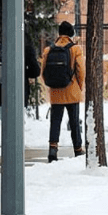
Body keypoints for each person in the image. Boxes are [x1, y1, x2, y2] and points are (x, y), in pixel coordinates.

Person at [41, 21, 86, 162]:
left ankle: (53, 150)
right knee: (74, 122)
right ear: (71, 33)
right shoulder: (75, 49)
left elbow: (43, 72)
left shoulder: (48, 50)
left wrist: (51, 84)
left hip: (55, 91)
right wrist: (79, 86)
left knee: (55, 121)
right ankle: (78, 149)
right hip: (71, 90)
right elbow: (81, 71)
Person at [0, 34, 42, 118]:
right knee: (18, 126)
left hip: (0, 94)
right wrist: (23, 71)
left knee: (4, 124)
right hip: (20, 94)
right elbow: (35, 72)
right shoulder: (25, 49)